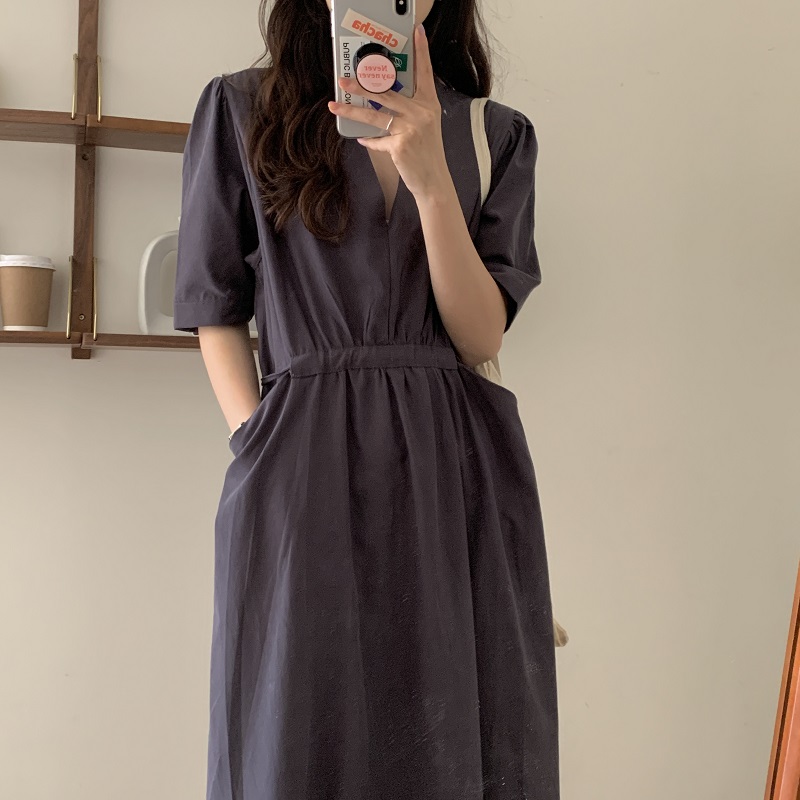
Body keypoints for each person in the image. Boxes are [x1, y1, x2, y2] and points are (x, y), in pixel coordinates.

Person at [173, 0, 559, 797]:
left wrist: (432, 182)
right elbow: (215, 306)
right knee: (293, 729)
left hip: (452, 467)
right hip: (297, 461)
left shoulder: (491, 132)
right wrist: (259, 445)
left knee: (452, 727)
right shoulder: (242, 109)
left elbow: (480, 334)